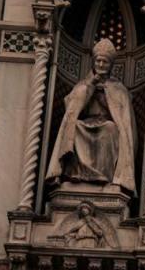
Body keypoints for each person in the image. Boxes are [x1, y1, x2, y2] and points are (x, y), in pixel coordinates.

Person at [46, 37, 137, 194]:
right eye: (98, 61)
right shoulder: (83, 84)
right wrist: (91, 86)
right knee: (74, 127)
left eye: (105, 62)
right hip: (86, 123)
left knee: (110, 129)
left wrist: (106, 95)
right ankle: (75, 175)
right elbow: (72, 107)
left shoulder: (118, 88)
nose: (101, 65)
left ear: (111, 65)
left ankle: (105, 177)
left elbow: (123, 119)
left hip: (106, 124)